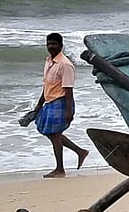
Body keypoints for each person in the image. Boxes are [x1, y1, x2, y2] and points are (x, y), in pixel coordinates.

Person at [32, 32, 88, 178]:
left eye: (54, 44)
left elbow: (69, 90)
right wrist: (39, 105)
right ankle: (80, 152)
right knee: (51, 133)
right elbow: (47, 85)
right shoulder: (49, 61)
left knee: (55, 135)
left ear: (61, 46)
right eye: (49, 44)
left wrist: (69, 111)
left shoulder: (65, 65)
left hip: (61, 102)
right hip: (49, 102)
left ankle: (60, 169)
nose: (51, 47)